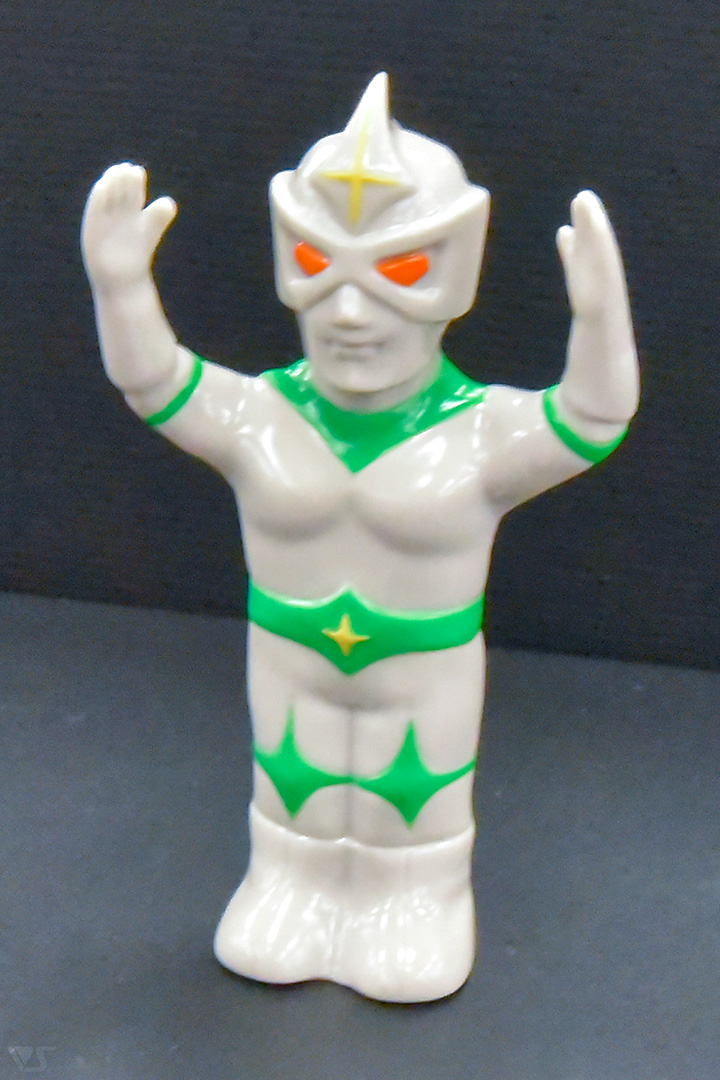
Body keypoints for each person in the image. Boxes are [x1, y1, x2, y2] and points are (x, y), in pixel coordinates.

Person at [81, 73, 639, 1002]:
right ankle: (287, 883)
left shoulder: (481, 435)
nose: (348, 313)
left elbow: (592, 418)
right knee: (290, 787)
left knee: (412, 805)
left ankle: (421, 900)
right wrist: (119, 287)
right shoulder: (259, 416)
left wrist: (600, 319)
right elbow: (155, 382)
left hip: (424, 680)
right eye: (317, 264)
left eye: (400, 272)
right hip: (289, 665)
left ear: (455, 277)